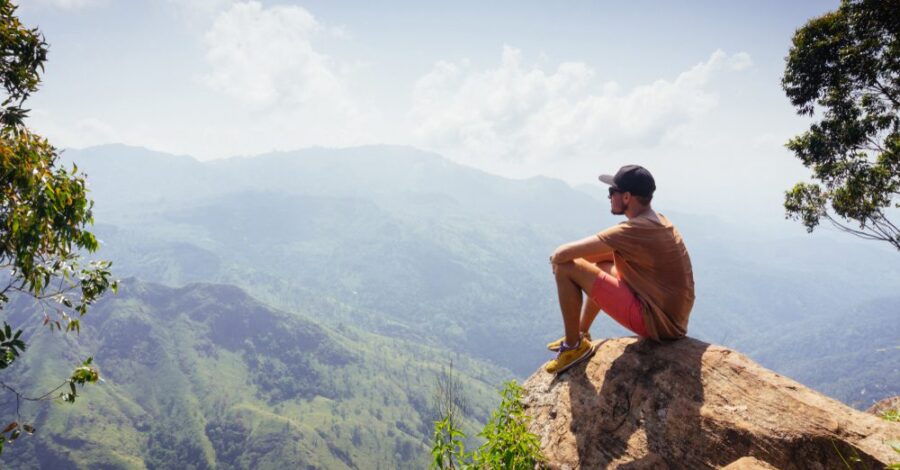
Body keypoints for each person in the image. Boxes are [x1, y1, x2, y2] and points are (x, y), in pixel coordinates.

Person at [544, 165, 695, 374]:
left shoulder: (634, 230)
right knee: (603, 266)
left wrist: (560, 263)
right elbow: (598, 257)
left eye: (611, 193)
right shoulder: (656, 222)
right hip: (670, 318)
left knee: (565, 267)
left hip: (657, 323)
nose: (609, 198)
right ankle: (581, 333)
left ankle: (573, 347)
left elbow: (561, 254)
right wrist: (579, 262)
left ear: (626, 197)